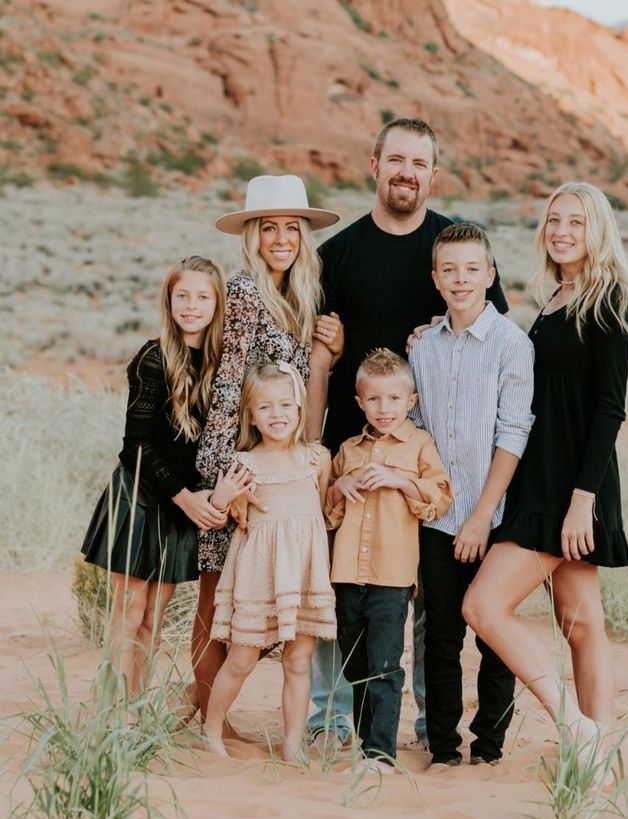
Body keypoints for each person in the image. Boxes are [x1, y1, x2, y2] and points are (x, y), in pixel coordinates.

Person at [308, 118, 509, 749]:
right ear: (374, 165)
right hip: (352, 450)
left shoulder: (453, 250)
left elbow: (491, 337)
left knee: (423, 594)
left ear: (433, 174)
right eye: (395, 160)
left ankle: (426, 721)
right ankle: (332, 717)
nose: (406, 173)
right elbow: (315, 349)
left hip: (433, 457)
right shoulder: (336, 255)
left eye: (418, 163)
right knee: (345, 589)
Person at [462, 182, 628, 757]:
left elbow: (611, 406)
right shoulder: (556, 297)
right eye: (554, 220)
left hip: (571, 488)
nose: (562, 231)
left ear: (598, 231)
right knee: (582, 622)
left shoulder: (609, 298)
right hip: (541, 479)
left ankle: (576, 725)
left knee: (483, 606)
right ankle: (597, 750)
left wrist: (582, 498)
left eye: (576, 222)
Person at [193, 175, 342, 723]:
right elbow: (228, 385)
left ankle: (210, 713)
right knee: (220, 598)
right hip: (240, 464)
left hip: (281, 465)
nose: (281, 239)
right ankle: (207, 715)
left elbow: (301, 388)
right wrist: (225, 475)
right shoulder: (244, 292)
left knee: (238, 598)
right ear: (252, 235)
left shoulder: (297, 296)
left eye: (290, 229)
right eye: (268, 228)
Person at [81, 255, 252, 696]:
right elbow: (134, 444)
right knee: (129, 611)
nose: (191, 306)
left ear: (218, 303)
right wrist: (185, 497)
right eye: (182, 296)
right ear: (169, 300)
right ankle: (113, 713)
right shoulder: (155, 357)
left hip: (182, 504)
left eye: (202, 297)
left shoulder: (221, 366)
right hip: (142, 494)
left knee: (156, 615)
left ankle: (136, 710)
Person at [409, 223, 535, 768]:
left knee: (491, 634)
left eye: (471, 268)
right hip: (437, 516)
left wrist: (482, 516)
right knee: (439, 635)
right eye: (449, 270)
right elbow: (415, 426)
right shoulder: (423, 348)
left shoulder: (512, 343)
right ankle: (443, 748)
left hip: (495, 515)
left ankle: (488, 748)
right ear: (436, 279)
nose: (461, 279)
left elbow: (513, 432)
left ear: (490, 274)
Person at [325, 349, 452, 771]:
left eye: (394, 399)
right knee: (355, 662)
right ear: (360, 403)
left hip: (392, 576)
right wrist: (338, 485)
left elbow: (438, 499)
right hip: (346, 573)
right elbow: (329, 512)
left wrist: (401, 481)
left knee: (384, 664)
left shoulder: (419, 445)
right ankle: (366, 743)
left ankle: (381, 752)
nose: (385, 409)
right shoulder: (347, 450)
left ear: (411, 401)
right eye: (375, 400)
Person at [203, 362, 336, 763]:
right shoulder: (247, 464)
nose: (277, 414)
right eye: (265, 407)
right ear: (251, 415)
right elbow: (227, 516)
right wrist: (222, 496)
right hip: (260, 574)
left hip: (304, 571)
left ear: (300, 409)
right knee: (242, 658)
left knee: (298, 660)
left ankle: (292, 743)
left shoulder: (316, 458)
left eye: (285, 405)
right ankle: (211, 729)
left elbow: (326, 512)